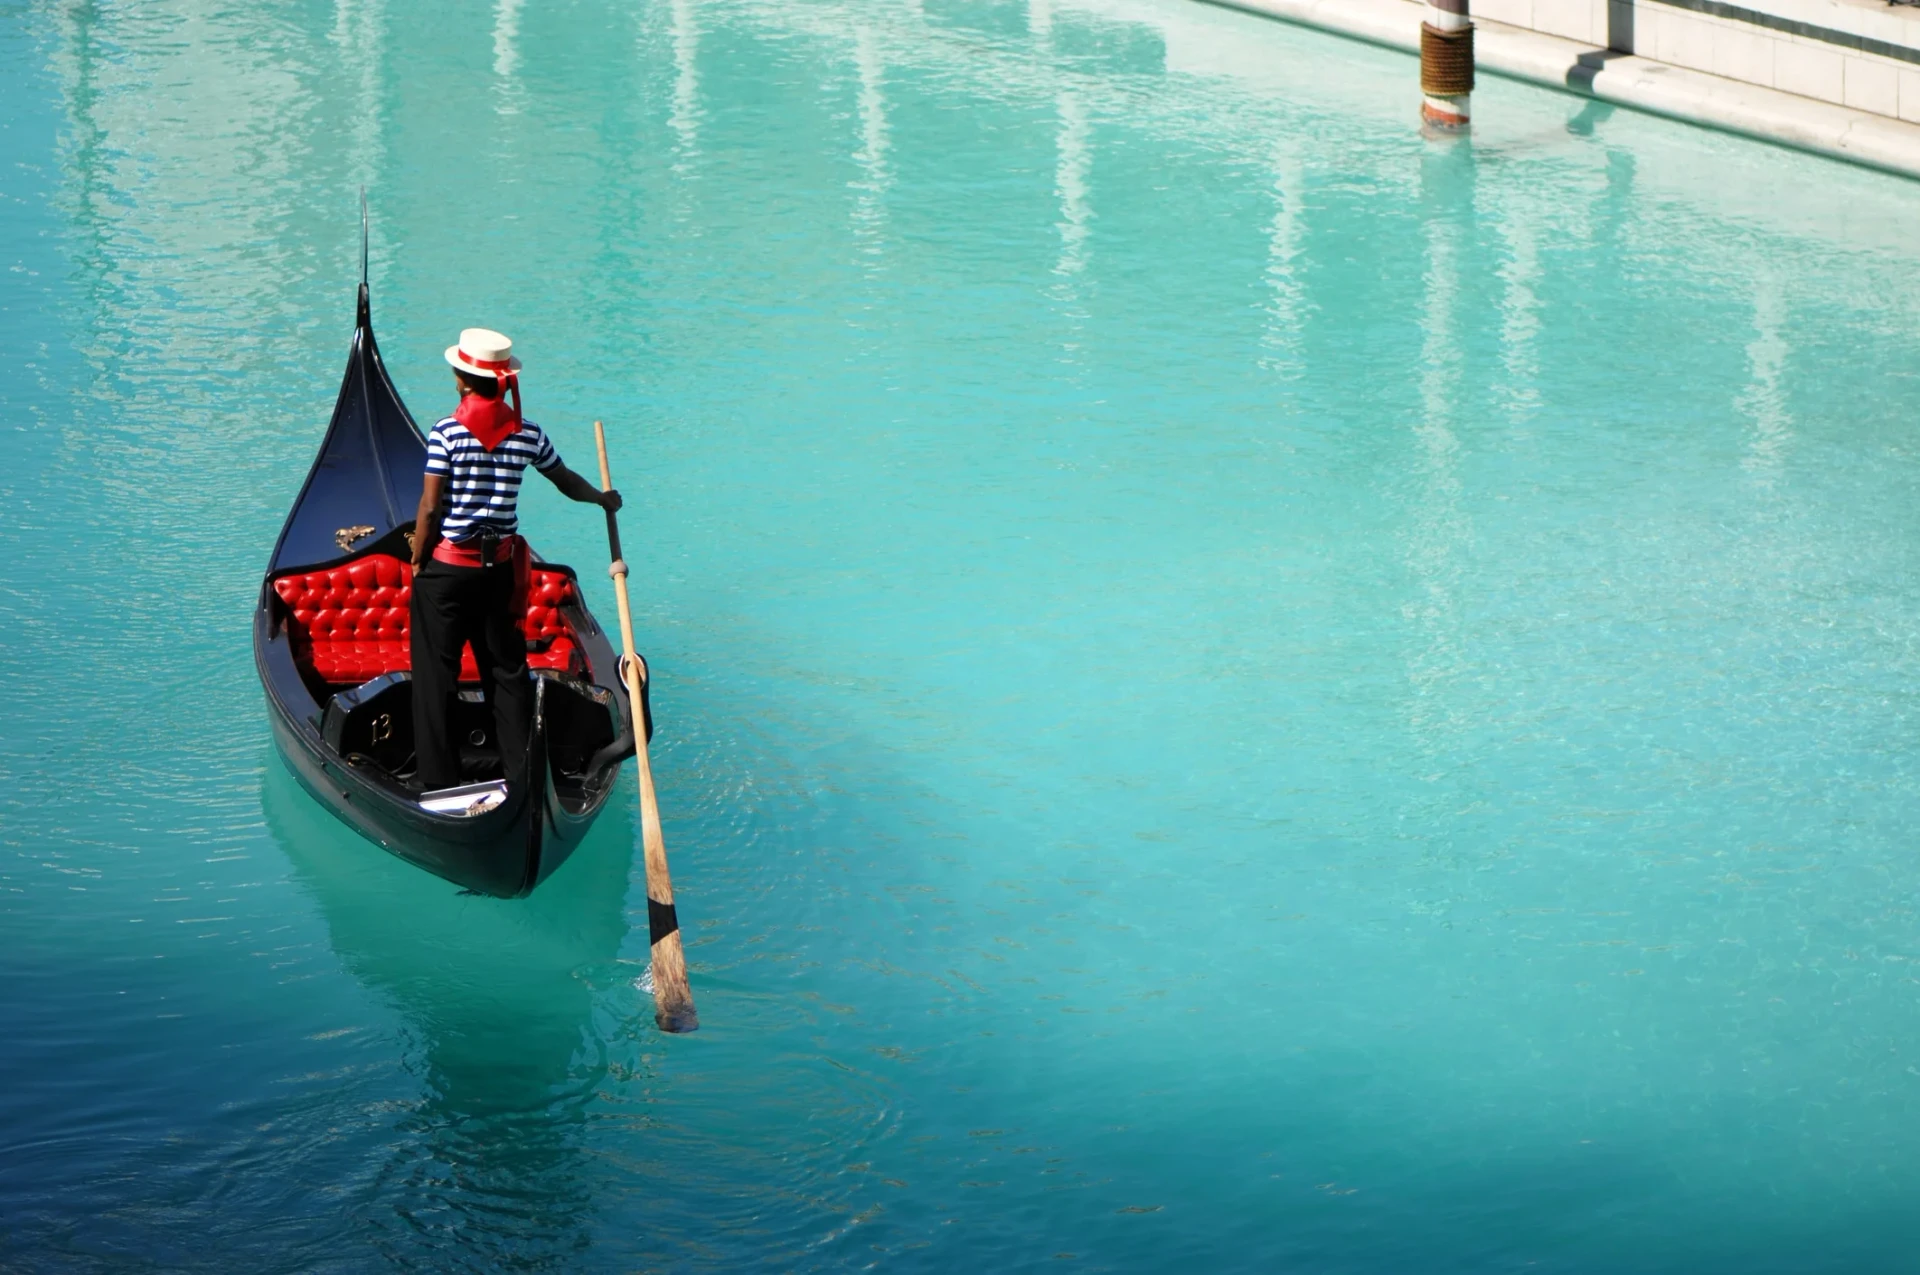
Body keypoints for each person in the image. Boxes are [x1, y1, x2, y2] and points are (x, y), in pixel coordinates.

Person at [408, 327, 620, 792]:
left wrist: (418, 560)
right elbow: (565, 481)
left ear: (463, 380)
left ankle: (439, 783)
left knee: (434, 678)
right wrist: (603, 500)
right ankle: (522, 777)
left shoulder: (445, 432)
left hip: (447, 571)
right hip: (499, 572)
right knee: (506, 675)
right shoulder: (528, 435)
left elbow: (428, 508)